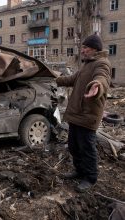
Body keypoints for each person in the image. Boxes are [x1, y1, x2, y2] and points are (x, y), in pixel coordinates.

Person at [56, 34, 112, 192]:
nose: (82, 50)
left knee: (87, 148)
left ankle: (90, 177)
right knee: (74, 146)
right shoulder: (87, 65)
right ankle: (79, 171)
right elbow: (71, 79)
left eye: (85, 48)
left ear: (94, 49)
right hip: (76, 114)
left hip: (88, 114)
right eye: (83, 47)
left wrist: (97, 85)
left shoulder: (102, 63)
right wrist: (53, 78)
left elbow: (102, 78)